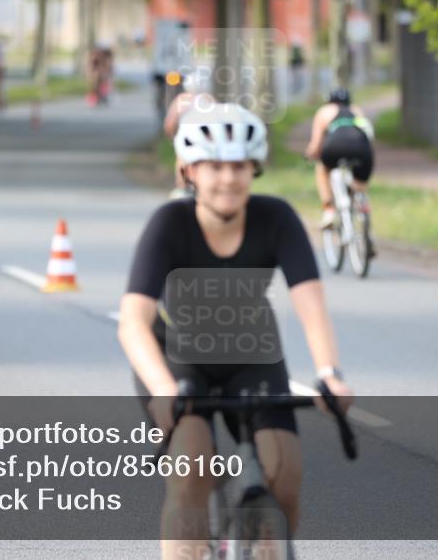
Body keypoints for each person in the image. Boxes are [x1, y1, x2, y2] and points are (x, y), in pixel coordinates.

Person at [117, 102, 353, 560]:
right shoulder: (168, 225)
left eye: (239, 166)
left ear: (255, 167)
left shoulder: (277, 218)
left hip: (251, 353)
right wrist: (165, 390)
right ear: (189, 171)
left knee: (284, 475)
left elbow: (310, 302)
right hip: (177, 360)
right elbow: (133, 323)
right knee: (191, 470)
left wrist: (329, 371)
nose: (228, 178)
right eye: (215, 166)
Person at [304, 88, 376, 229]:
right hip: (362, 148)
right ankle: (362, 206)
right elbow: (368, 134)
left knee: (322, 169)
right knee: (360, 184)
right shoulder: (357, 110)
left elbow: (315, 145)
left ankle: (329, 210)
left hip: (335, 146)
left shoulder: (324, 111)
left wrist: (309, 155)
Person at [163, 71, 214, 198]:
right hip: (206, 138)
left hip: (186, 136)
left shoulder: (182, 100)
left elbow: (170, 121)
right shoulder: (210, 100)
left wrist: (171, 135)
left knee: (181, 159)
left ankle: (182, 187)